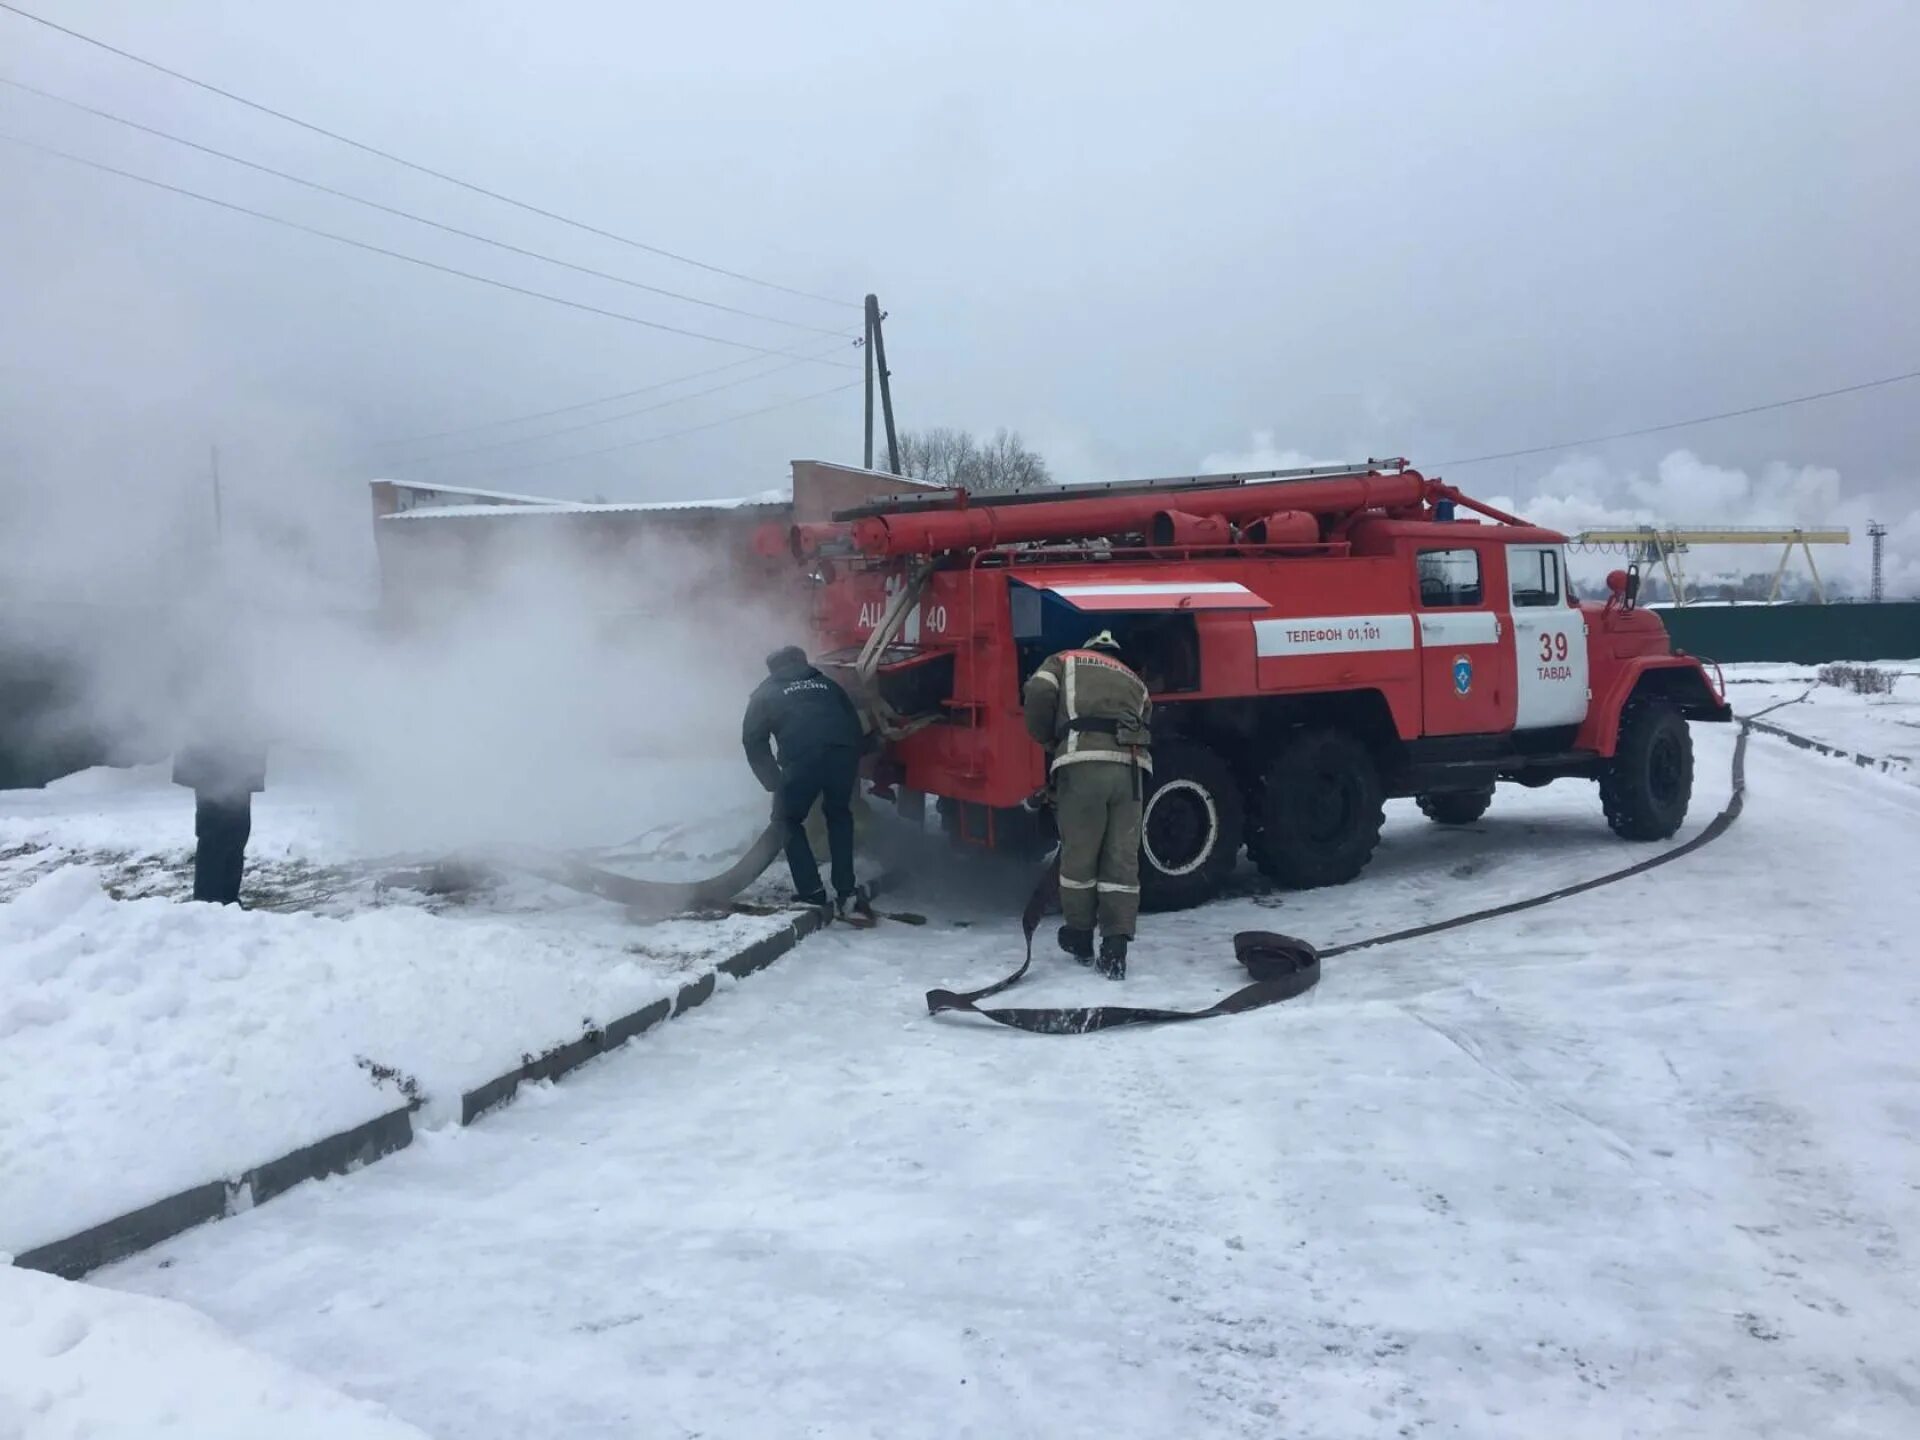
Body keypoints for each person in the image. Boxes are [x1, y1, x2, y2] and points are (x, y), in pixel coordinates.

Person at [1021, 629, 1152, 979]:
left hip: (1084, 765)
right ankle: (1115, 947)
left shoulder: (1064, 660)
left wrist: (1049, 738)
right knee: (1121, 858)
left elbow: (1037, 691)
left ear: (1089, 647)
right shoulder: (1135, 681)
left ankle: (1079, 935)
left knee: (1080, 855)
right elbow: (1146, 721)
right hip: (1133, 772)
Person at [742, 645, 873, 923]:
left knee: (786, 821)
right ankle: (847, 892)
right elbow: (852, 723)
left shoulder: (765, 693)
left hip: (803, 760)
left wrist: (773, 781)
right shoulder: (828, 685)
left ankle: (812, 892)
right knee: (839, 815)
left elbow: (753, 740)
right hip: (843, 754)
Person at [173, 738, 267, 905]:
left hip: (240, 756)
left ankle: (228, 899)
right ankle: (208, 901)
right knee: (215, 831)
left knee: (237, 830)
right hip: (211, 760)